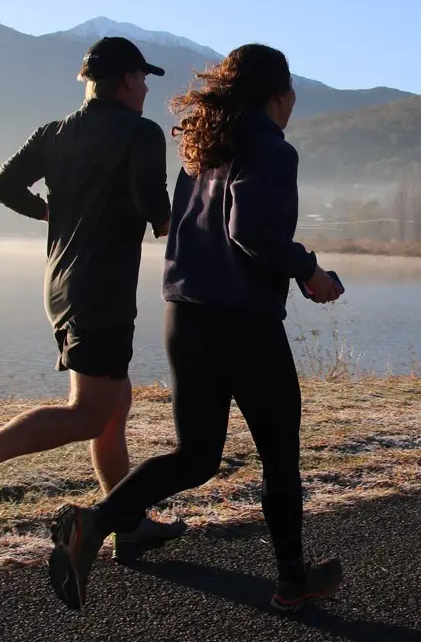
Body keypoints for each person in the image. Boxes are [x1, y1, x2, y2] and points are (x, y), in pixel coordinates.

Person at [47, 43, 345, 614]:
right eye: (292, 93)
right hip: (243, 326)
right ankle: (291, 578)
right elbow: (251, 231)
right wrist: (309, 270)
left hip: (184, 318)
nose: (294, 104)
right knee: (280, 456)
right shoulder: (270, 149)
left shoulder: (203, 148)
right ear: (279, 94)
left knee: (197, 456)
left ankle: (94, 523)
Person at [0, 36, 185, 562]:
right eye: (143, 79)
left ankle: (126, 520)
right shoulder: (141, 133)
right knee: (91, 412)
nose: (145, 90)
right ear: (127, 80)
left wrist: (51, 214)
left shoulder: (54, 133)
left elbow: (3, 185)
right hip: (103, 292)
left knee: (115, 405)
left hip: (64, 285)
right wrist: (184, 214)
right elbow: (153, 206)